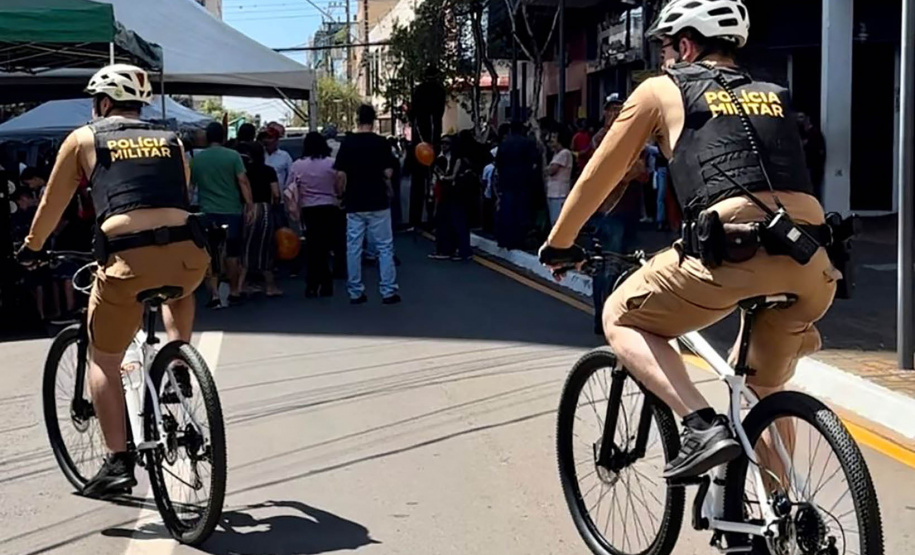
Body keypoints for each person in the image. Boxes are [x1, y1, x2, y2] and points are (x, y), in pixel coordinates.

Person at [541, 0, 837, 480]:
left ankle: (700, 427)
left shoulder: (661, 89)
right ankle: (783, 509)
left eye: (664, 48)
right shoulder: (773, 94)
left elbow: (601, 173)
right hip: (812, 263)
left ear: (686, 46)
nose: (661, 59)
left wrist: (559, 243)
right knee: (762, 387)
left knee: (619, 315)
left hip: (731, 254)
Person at [17, 64, 210, 496]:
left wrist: (31, 248)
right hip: (188, 252)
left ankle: (118, 461)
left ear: (103, 103)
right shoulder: (172, 139)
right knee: (178, 288)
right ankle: (178, 362)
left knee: (104, 356)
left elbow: (52, 203)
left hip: (128, 257)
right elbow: (177, 191)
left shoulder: (85, 138)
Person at [334, 104, 400, 304]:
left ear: (357, 119)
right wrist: (389, 189)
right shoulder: (381, 143)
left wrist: (340, 196)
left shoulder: (348, 143)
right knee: (384, 247)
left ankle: (355, 291)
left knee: (353, 247)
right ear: (373, 120)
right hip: (378, 200)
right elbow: (388, 173)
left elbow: (340, 175)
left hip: (354, 201)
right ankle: (388, 291)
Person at [191, 122, 253, 307]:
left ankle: (215, 294)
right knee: (232, 253)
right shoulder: (233, 156)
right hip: (231, 211)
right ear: (224, 137)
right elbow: (242, 181)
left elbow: (190, 186)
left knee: (210, 254)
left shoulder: (197, 159)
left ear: (207, 138)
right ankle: (234, 291)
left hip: (207, 211)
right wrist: (249, 205)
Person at [288, 132, 345, 297]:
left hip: (309, 208)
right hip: (330, 207)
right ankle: (326, 282)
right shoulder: (332, 164)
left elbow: (291, 186)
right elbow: (339, 184)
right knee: (326, 245)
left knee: (313, 245)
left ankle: (313, 283)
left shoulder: (298, 165)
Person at [236, 141, 283, 297]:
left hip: (246, 209)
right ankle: (270, 286)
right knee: (265, 247)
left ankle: (240, 285)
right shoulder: (268, 170)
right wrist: (275, 205)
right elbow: (276, 193)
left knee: (246, 247)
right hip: (264, 209)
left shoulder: (243, 171)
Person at [495, 121, 541, 250]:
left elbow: (499, 163)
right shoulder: (527, 143)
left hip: (507, 181)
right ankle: (519, 239)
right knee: (521, 211)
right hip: (523, 181)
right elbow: (534, 159)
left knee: (507, 210)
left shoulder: (504, 144)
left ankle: (506, 239)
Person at [429, 135, 473, 261]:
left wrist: (443, 178)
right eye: (442, 143)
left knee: (458, 223)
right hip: (446, 194)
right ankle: (447, 249)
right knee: (445, 222)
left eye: (447, 143)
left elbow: (453, 176)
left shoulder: (458, 159)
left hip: (457, 195)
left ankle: (462, 250)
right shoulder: (440, 159)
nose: (444, 145)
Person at [545, 129, 574, 226]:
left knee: (557, 221)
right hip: (553, 192)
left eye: (554, 138)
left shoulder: (564, 153)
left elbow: (552, 170)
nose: (551, 141)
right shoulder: (556, 154)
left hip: (559, 193)